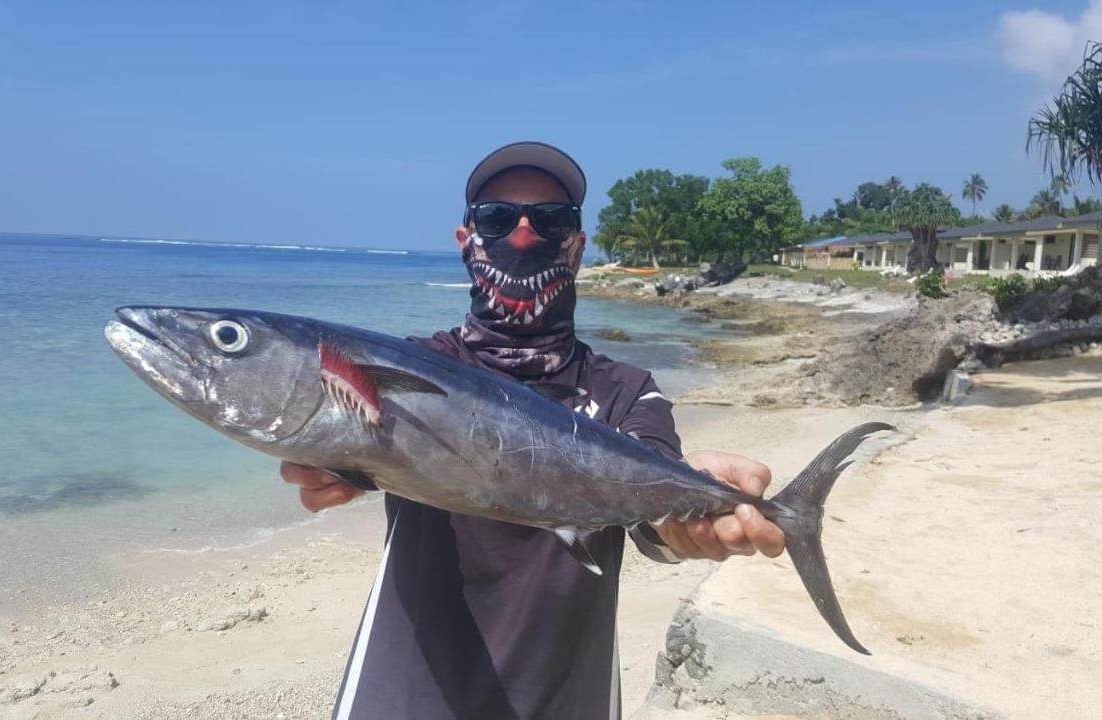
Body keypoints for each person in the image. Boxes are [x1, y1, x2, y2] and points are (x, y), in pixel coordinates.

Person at [280, 142, 784, 720]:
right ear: (466, 242)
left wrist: (690, 512)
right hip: (400, 692)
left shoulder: (627, 390)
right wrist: (325, 464)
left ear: (576, 247)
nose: (523, 236)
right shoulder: (408, 370)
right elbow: (350, 444)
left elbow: (653, 521)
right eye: (497, 218)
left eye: (551, 220)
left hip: (568, 698)